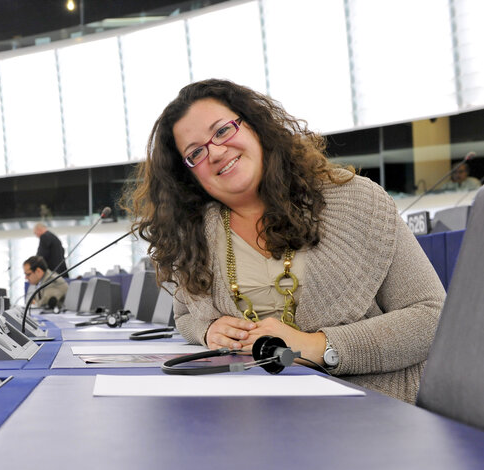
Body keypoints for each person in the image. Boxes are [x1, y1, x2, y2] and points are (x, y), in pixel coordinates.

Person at [122, 79, 445, 403]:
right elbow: (185, 317)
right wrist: (207, 331)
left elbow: (433, 316)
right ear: (188, 174)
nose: (216, 152)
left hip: (368, 411)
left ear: (255, 126)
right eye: (196, 153)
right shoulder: (191, 234)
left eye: (222, 131)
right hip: (247, 415)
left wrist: (317, 346)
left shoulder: (357, 199)